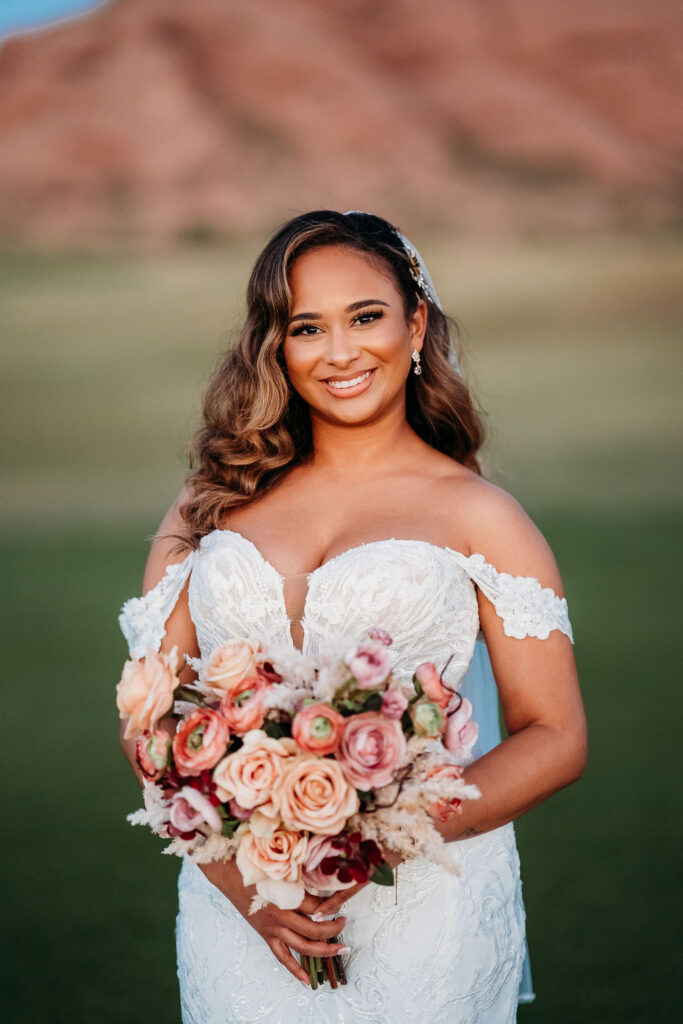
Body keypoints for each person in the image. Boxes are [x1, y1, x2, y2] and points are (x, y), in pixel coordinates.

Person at [118, 210, 587, 1024]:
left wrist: (365, 838)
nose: (339, 353)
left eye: (364, 317)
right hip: (240, 910)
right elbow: (149, 719)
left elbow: (554, 735)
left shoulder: (481, 516)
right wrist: (245, 886)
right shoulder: (207, 505)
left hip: (422, 904)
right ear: (276, 348)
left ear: (415, 325)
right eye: (306, 328)